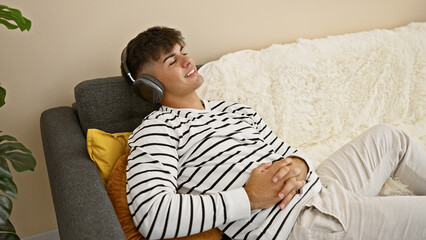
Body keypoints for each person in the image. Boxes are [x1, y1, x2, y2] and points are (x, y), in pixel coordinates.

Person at [121, 26, 426, 240]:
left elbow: (287, 150)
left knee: (388, 137)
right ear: (149, 87)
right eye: (172, 61)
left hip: (320, 191)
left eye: (183, 52)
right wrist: (248, 198)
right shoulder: (157, 130)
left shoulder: (233, 109)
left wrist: (300, 164)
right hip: (301, 225)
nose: (188, 60)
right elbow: (153, 215)